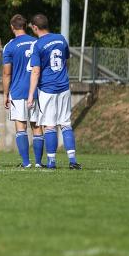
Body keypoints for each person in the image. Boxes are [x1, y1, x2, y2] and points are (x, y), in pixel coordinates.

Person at [27, 14, 82, 169]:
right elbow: (66, 61)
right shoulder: (61, 39)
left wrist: (31, 94)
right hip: (64, 87)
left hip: (47, 90)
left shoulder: (38, 45)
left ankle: (51, 161)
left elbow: (36, 71)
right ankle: (72, 160)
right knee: (65, 124)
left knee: (50, 126)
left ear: (35, 27)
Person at [2, 14, 43, 168]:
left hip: (18, 91)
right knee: (37, 126)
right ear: (26, 26)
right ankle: (38, 163)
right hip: (36, 90)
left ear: (12, 27)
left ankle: (26, 163)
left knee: (21, 126)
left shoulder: (10, 46)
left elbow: (7, 73)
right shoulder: (37, 42)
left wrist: (6, 94)